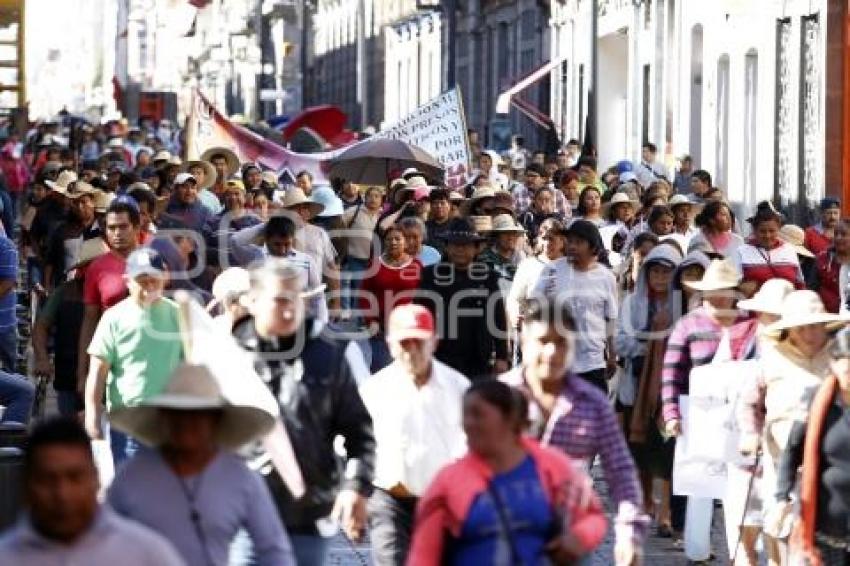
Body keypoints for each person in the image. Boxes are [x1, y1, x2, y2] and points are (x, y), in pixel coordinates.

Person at [232, 260, 375, 565]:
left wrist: (355, 488)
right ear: (252, 302)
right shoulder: (228, 358)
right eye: (280, 300)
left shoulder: (329, 355)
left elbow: (360, 433)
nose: (290, 310)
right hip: (242, 515)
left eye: (296, 298)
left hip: (308, 514)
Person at [502, 298, 648, 565]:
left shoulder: (592, 404)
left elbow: (621, 472)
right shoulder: (497, 398)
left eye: (561, 343)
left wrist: (629, 534)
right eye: (543, 341)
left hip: (571, 537)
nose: (551, 352)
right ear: (524, 342)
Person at [108, 363, 295, 565]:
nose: (186, 423)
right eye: (177, 413)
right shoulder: (131, 477)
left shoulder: (242, 479)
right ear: (163, 417)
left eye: (198, 414)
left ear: (216, 419)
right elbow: (100, 541)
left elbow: (274, 551)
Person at [407, 380, 607, 566]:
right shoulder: (448, 480)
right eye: (465, 415)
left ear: (508, 418)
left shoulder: (552, 466)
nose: (468, 424)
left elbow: (592, 515)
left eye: (477, 414)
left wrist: (580, 537)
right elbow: (423, 555)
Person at [661, 259, 759, 563]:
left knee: (737, 487)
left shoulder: (750, 325)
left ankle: (740, 553)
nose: (717, 297)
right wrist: (671, 414)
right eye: (711, 291)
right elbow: (672, 373)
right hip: (699, 416)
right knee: (700, 484)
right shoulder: (688, 324)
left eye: (723, 291)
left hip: (739, 417)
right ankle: (697, 549)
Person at [738, 290, 845, 565]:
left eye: (815, 327)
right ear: (790, 330)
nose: (809, 334)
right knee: (780, 529)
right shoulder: (771, 359)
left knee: (813, 536)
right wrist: (750, 434)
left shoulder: (838, 358)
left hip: (825, 464)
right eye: (802, 328)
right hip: (779, 458)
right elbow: (750, 403)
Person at [359, 304, 469, 565]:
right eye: (404, 342)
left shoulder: (458, 387)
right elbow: (356, 443)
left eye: (419, 342)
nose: (411, 350)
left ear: (434, 342)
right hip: (389, 499)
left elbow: (472, 445)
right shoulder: (373, 389)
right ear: (389, 344)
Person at [0, 417, 184, 565]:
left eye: (75, 477)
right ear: (27, 484)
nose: (62, 494)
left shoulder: (147, 554)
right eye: (48, 480)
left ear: (95, 478)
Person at [84, 247, 184, 466]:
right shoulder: (114, 317)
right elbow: (98, 371)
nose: (149, 286)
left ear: (165, 277)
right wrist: (92, 414)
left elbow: (193, 363)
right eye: (142, 280)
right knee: (129, 488)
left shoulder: (179, 314)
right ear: (128, 281)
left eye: (154, 279)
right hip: (128, 422)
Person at [769, 328, 850, 565]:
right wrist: (781, 498)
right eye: (846, 369)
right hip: (827, 528)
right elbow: (792, 451)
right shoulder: (817, 402)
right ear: (833, 365)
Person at [615, 243, 682, 533]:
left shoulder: (681, 305)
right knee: (639, 449)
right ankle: (645, 502)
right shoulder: (632, 303)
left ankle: (665, 512)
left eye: (666, 273)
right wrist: (649, 347)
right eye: (654, 272)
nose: (659, 278)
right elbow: (620, 341)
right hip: (635, 383)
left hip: (668, 386)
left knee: (667, 452)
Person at [414, 217, 509, 380]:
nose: (460, 250)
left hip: (478, 356)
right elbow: (420, 314)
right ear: (446, 246)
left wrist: (502, 356)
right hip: (439, 355)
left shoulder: (488, 277)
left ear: (476, 248)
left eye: (465, 245)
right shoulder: (430, 275)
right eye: (455, 245)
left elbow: (498, 317)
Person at [534, 220, 618, 392]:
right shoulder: (552, 271)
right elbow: (534, 307)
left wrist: (612, 356)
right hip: (558, 362)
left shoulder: (606, 277)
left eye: (578, 242)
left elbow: (611, 318)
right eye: (570, 241)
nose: (572, 246)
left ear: (593, 247)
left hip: (592, 363)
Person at [76, 199, 141, 399]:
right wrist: (82, 374)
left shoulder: (153, 260)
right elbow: (89, 320)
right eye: (112, 228)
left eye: (123, 227)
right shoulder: (97, 267)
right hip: (111, 358)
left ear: (136, 227)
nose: (117, 233)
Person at [358, 225, 423, 372]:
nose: (393, 242)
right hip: (381, 329)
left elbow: (423, 295)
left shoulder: (416, 265)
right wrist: (370, 321)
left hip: (409, 328)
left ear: (405, 242)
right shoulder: (375, 265)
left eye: (397, 239)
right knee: (381, 370)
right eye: (389, 239)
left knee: (408, 371)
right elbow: (364, 295)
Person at [733, 201, 804, 296]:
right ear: (754, 230)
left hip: (785, 308)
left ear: (779, 229)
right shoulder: (742, 251)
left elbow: (799, 284)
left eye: (772, 231)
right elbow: (732, 286)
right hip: (754, 308)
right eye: (762, 231)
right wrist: (741, 288)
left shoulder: (789, 250)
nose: (767, 235)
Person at [808, 218, 850, 313]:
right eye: (836, 234)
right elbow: (811, 291)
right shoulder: (822, 259)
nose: (838, 238)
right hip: (826, 319)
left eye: (843, 234)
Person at [476, 213, 526, 282]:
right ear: (497, 236)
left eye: (513, 233)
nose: (510, 237)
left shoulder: (520, 256)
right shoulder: (485, 257)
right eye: (505, 233)